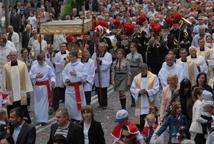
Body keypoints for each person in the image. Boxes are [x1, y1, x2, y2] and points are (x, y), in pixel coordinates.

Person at [2, 51, 33, 123]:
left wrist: (28, 90)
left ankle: (25, 123)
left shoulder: (22, 65)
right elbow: (4, 79)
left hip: (21, 92)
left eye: (14, 55)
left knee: (23, 109)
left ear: (17, 56)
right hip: (11, 93)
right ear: (9, 56)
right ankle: (11, 123)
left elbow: (26, 77)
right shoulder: (6, 66)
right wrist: (4, 91)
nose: (13, 56)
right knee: (11, 109)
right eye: (11, 55)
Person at [130, 63, 159, 130]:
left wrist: (147, 92)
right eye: (141, 68)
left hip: (150, 103)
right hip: (140, 104)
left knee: (152, 121)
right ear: (139, 69)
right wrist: (139, 92)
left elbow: (156, 88)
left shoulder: (154, 77)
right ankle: (141, 133)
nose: (143, 70)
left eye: (144, 68)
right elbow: (132, 89)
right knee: (141, 123)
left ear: (147, 69)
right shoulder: (136, 78)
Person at [29, 53, 56, 125]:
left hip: (44, 87)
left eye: (41, 60)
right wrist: (36, 76)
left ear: (43, 59)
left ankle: (44, 120)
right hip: (37, 87)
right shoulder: (34, 67)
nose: (40, 62)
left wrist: (53, 81)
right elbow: (30, 75)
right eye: (38, 61)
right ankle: (38, 119)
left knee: (44, 103)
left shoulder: (48, 67)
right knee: (37, 103)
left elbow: (52, 75)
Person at [62, 50, 86, 122]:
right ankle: (70, 116)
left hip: (78, 88)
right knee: (69, 104)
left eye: (71, 57)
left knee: (78, 103)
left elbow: (85, 75)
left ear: (75, 57)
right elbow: (64, 73)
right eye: (69, 56)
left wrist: (76, 74)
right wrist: (66, 79)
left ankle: (78, 117)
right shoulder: (68, 65)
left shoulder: (81, 65)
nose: (70, 58)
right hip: (69, 87)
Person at [92, 42, 112, 109]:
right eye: (100, 47)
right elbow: (92, 63)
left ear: (105, 47)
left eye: (102, 47)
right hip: (97, 74)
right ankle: (100, 103)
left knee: (104, 90)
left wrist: (101, 62)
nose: (101, 48)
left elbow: (108, 64)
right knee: (98, 90)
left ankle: (104, 104)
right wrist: (95, 69)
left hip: (104, 74)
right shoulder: (95, 54)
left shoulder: (108, 55)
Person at [126, 42, 143, 107]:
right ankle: (133, 101)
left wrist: (140, 72)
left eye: (133, 47)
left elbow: (141, 64)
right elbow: (126, 64)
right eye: (130, 47)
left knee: (137, 86)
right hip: (130, 70)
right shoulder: (128, 55)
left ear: (135, 48)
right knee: (131, 87)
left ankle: (137, 100)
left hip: (137, 70)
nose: (131, 49)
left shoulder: (139, 55)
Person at [54, 42, 69, 110]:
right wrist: (62, 63)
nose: (63, 47)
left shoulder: (68, 53)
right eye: (61, 46)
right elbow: (56, 63)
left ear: (66, 47)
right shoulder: (57, 54)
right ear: (59, 47)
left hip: (66, 72)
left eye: (64, 46)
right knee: (60, 85)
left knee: (66, 85)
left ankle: (65, 98)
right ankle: (61, 98)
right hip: (60, 72)